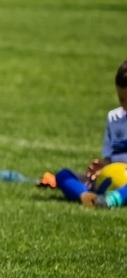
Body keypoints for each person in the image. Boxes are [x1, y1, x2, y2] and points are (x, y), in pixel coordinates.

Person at [42, 58, 127, 206]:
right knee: (63, 175)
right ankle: (88, 197)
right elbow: (111, 157)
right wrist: (102, 165)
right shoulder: (114, 118)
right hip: (111, 180)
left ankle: (112, 199)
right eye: (122, 99)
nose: (125, 105)